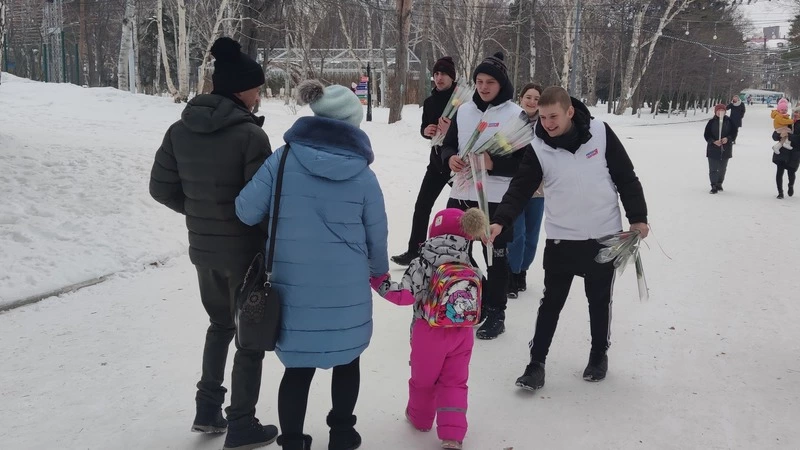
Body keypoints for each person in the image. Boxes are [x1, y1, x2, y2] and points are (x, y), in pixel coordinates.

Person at [235, 79, 388, 450]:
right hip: (347, 287)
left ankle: (291, 440)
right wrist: (379, 272)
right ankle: (342, 432)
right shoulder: (364, 176)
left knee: (298, 368)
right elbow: (376, 234)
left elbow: (245, 209)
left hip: (292, 285)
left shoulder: (283, 160)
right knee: (347, 359)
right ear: (353, 123)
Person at [148, 36, 279, 449]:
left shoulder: (179, 129)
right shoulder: (250, 137)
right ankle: (241, 423)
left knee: (219, 324)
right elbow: (263, 205)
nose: (260, 95)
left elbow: (160, 188)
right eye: (257, 88)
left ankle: (207, 409)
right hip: (245, 253)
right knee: (249, 337)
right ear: (241, 89)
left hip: (203, 250)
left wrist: (200, 214)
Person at [487, 86, 649, 390]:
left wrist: (638, 217)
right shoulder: (538, 147)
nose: (547, 122)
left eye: (553, 116)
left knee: (599, 300)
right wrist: (500, 221)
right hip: (563, 237)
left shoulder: (600, 133)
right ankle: (536, 364)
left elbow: (626, 176)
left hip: (604, 234)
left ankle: (598, 354)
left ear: (569, 112)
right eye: (543, 117)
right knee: (551, 302)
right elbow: (520, 189)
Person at [370, 208, 487, 450]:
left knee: (424, 380)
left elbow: (403, 295)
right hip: (462, 333)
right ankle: (452, 436)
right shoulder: (468, 263)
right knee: (455, 382)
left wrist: (378, 282)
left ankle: (420, 419)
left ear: (433, 232)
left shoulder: (423, 263)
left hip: (429, 333)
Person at [440, 51, 528, 340]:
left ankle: (496, 312)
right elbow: (448, 145)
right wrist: (450, 157)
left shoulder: (516, 115)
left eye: (490, 81)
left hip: (497, 198)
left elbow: (526, 166)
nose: (484, 87)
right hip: (462, 192)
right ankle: (475, 298)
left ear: (502, 84)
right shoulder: (464, 111)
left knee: (496, 256)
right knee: (457, 252)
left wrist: (494, 164)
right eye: (479, 81)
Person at [392, 56, 458, 266]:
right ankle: (415, 250)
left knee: (461, 212)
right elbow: (425, 127)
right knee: (422, 206)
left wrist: (451, 131)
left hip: (457, 165)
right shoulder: (430, 102)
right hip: (437, 164)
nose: (439, 78)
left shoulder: (461, 101)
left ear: (452, 77)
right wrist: (426, 130)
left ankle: (462, 254)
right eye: (436, 74)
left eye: (444, 74)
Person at [507, 83, 545, 299]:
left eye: (536, 98)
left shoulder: (546, 123)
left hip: (539, 188)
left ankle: (522, 271)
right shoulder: (511, 120)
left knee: (532, 235)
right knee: (517, 233)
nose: (532, 101)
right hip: (514, 186)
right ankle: (511, 274)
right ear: (521, 98)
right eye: (528, 97)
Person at [704, 104, 737, 194]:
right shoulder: (711, 122)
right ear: (715, 112)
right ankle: (713, 185)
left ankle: (719, 183)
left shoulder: (730, 121)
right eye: (718, 111)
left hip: (725, 149)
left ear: (725, 112)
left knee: (722, 168)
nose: (720, 112)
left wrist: (728, 139)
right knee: (713, 168)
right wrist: (713, 141)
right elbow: (707, 135)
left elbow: (734, 133)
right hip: (713, 149)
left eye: (722, 111)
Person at [771, 106, 800, 199]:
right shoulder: (787, 121)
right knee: (780, 171)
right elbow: (775, 135)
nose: (795, 114)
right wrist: (779, 135)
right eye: (795, 112)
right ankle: (780, 192)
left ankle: (790, 185)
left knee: (791, 172)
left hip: (794, 151)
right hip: (783, 150)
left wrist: (789, 135)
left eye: (798, 113)